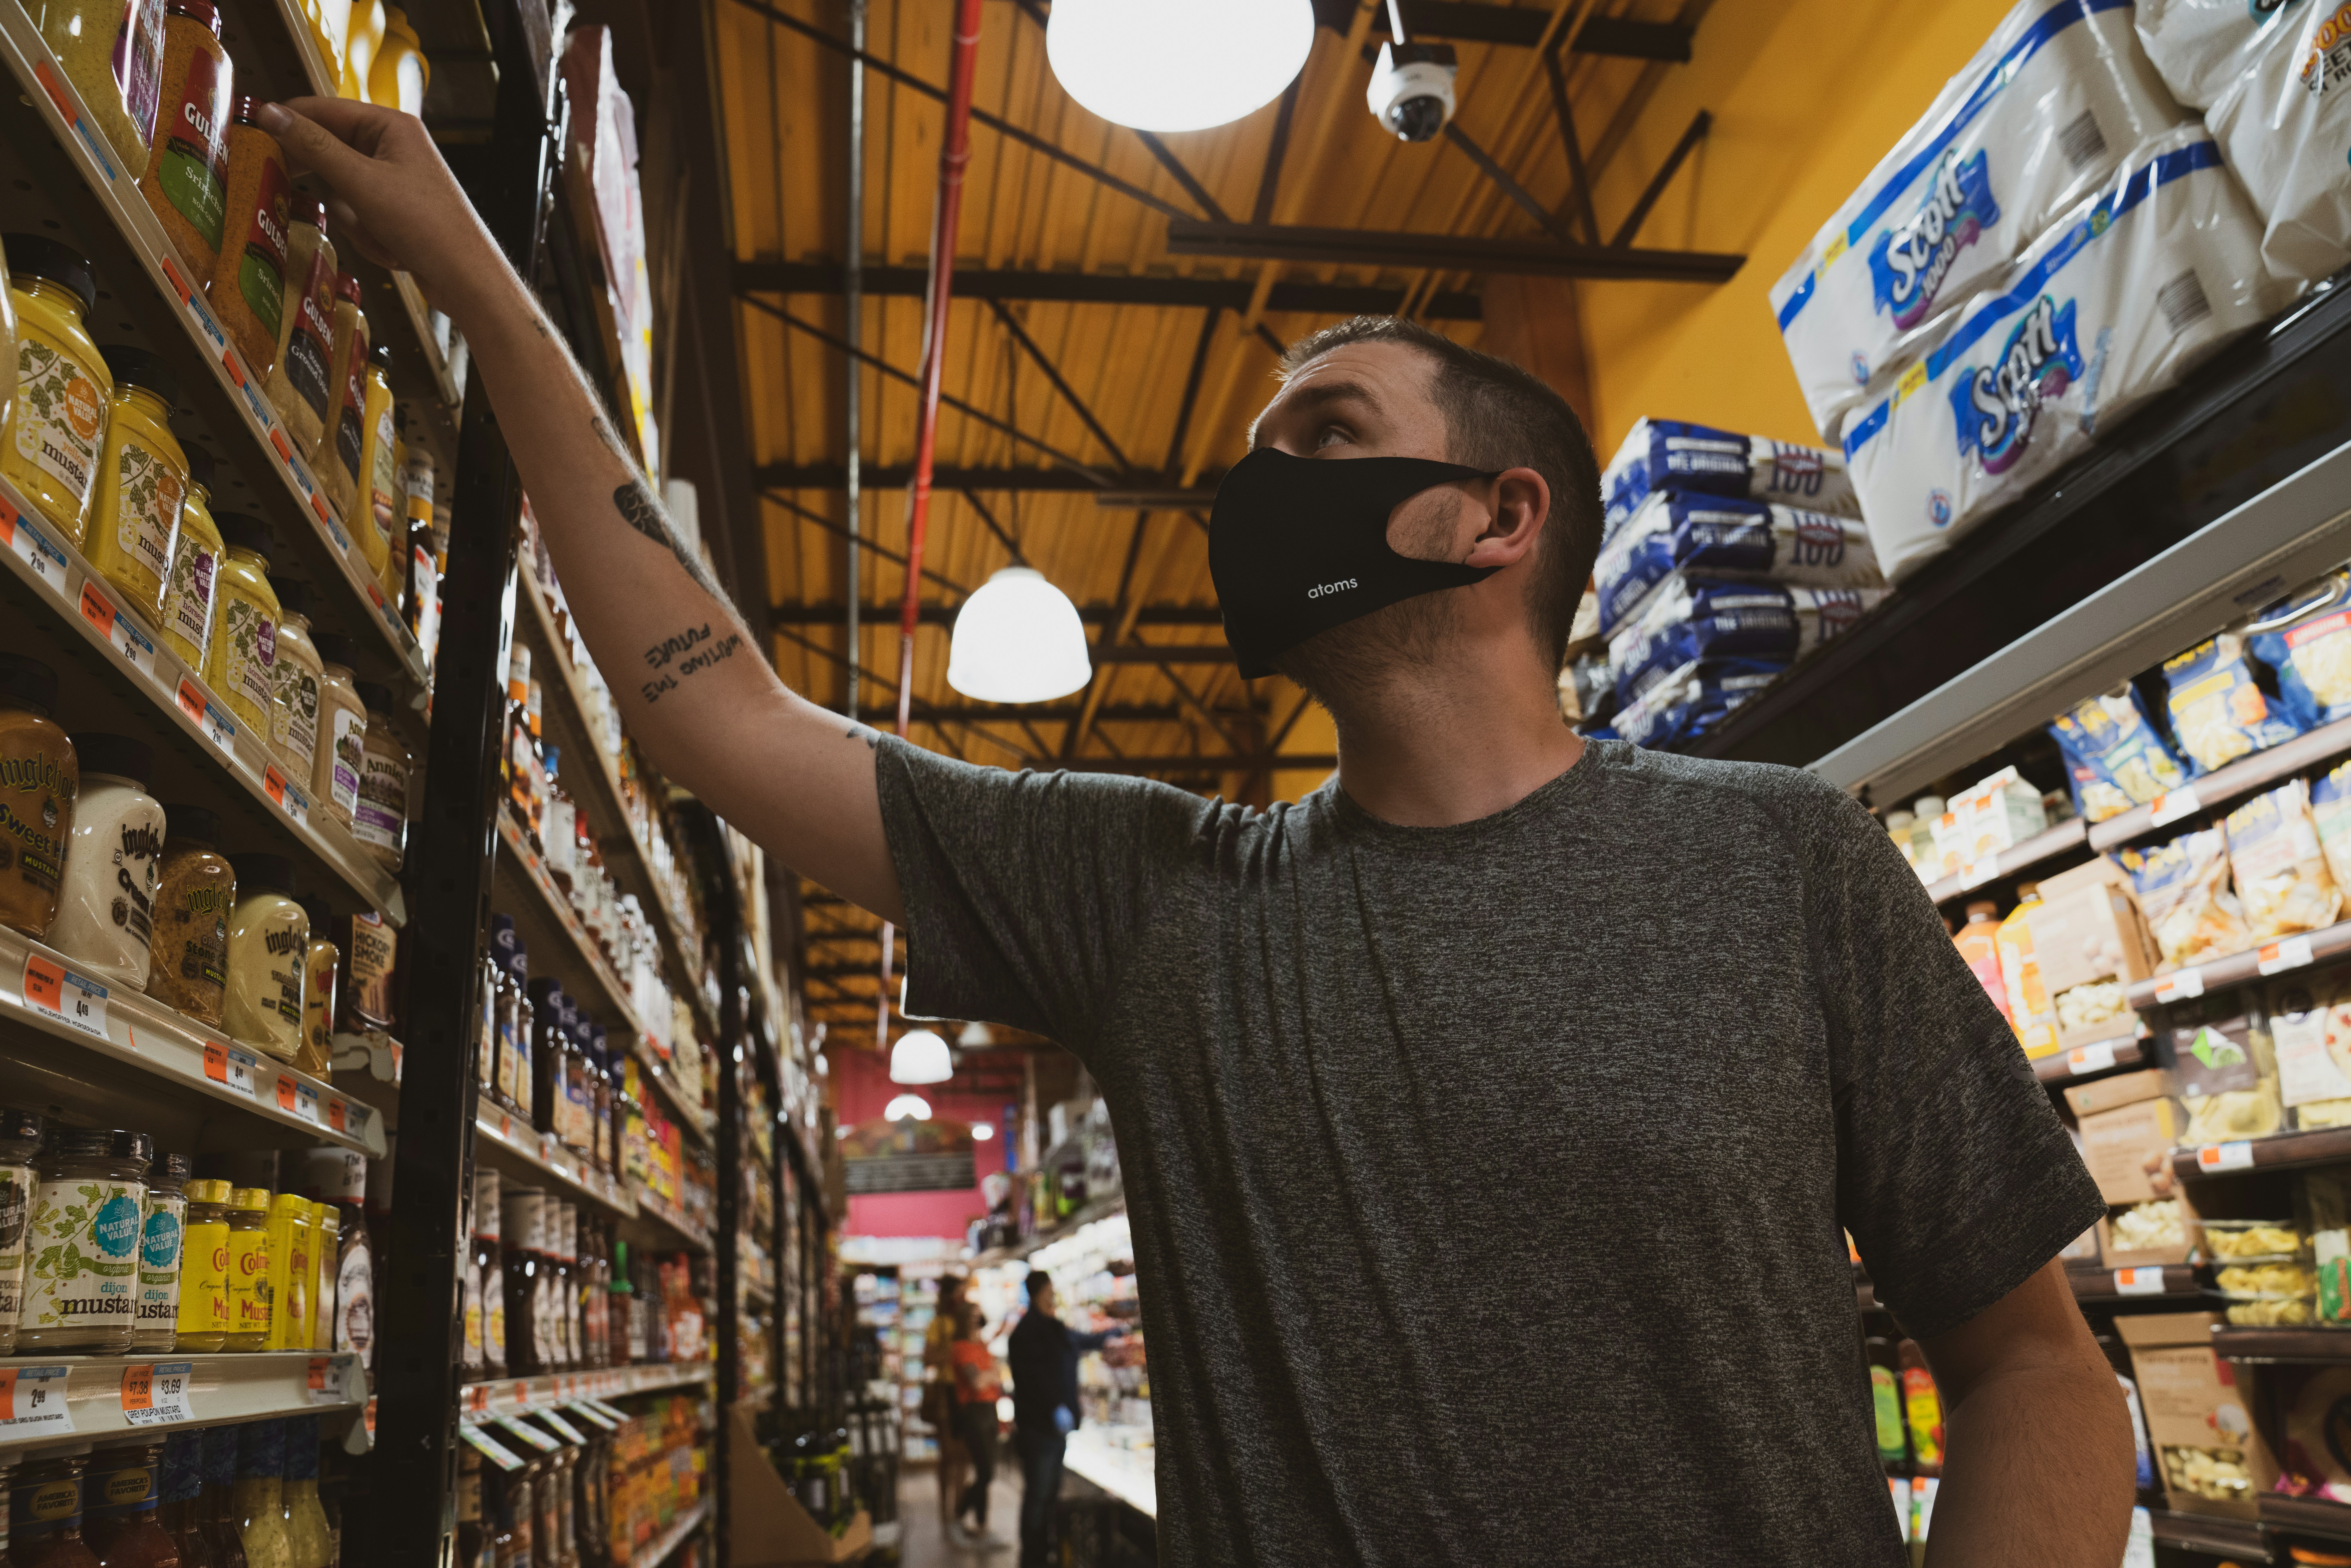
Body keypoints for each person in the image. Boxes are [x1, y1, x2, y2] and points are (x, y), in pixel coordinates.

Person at [263, 94, 2138, 1567]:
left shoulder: (1778, 863)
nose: (1256, 485)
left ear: (1492, 518)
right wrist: (490, 282)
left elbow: (2035, 1366)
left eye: (1319, 435)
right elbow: (716, 712)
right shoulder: (1157, 901)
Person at [1006, 1271, 1123, 1568]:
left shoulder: (1052, 1328)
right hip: (1038, 1428)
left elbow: (1080, 1341)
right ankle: (1032, 1558)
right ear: (1040, 1292)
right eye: (1049, 1290)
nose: (1053, 1295)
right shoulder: (1027, 1332)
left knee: (1047, 1495)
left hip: (1054, 1429)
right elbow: (1032, 1381)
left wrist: (1114, 1333)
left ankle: (1044, 1552)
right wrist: (1054, 1407)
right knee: (1038, 1495)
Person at [947, 1299, 1005, 1548]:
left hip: (990, 1410)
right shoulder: (961, 1349)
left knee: (987, 1471)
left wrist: (990, 1375)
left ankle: (982, 1527)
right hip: (973, 1413)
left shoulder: (981, 1346)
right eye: (973, 1316)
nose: (977, 1320)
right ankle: (958, 1518)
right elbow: (978, 1383)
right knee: (986, 1471)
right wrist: (990, 1375)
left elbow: (996, 1374)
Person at [922, 1274, 972, 1532]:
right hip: (947, 1393)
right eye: (960, 1293)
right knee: (948, 1456)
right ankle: (945, 1511)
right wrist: (954, 1352)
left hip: (966, 1393)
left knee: (963, 1456)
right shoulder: (939, 1324)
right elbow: (928, 1358)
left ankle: (958, 1512)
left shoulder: (966, 1321)